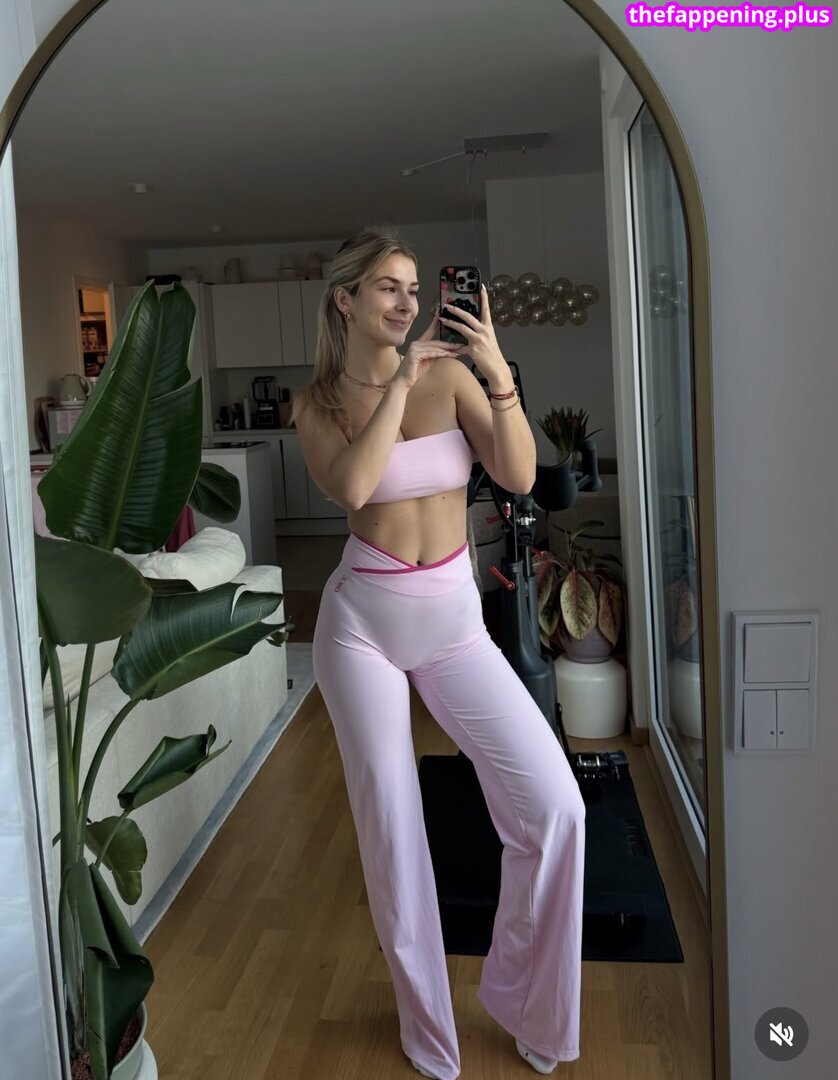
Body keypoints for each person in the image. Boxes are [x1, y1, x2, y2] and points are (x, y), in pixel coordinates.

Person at [293, 227, 585, 1080]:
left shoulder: (455, 378)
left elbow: (521, 477)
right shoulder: (317, 403)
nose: (407, 301)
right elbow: (353, 485)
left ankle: (529, 1004)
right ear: (346, 299)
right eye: (388, 286)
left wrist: (495, 375)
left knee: (556, 808)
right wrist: (396, 383)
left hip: (454, 622)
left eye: (415, 287)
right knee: (394, 834)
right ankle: (429, 1033)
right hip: (362, 631)